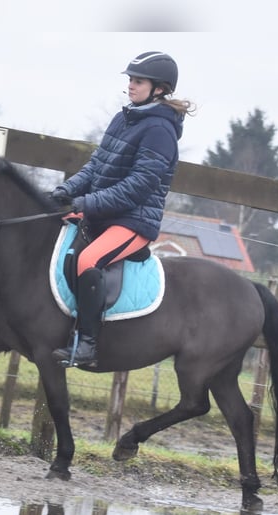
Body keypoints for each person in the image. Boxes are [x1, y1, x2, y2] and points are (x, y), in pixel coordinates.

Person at [51, 51, 194, 367]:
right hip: (103, 213)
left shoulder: (160, 130)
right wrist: (66, 190)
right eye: (130, 79)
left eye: (138, 81)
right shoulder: (124, 118)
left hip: (133, 221)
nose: (131, 85)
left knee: (88, 260)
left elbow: (137, 187)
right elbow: (96, 166)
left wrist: (87, 203)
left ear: (159, 88)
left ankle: (87, 345)